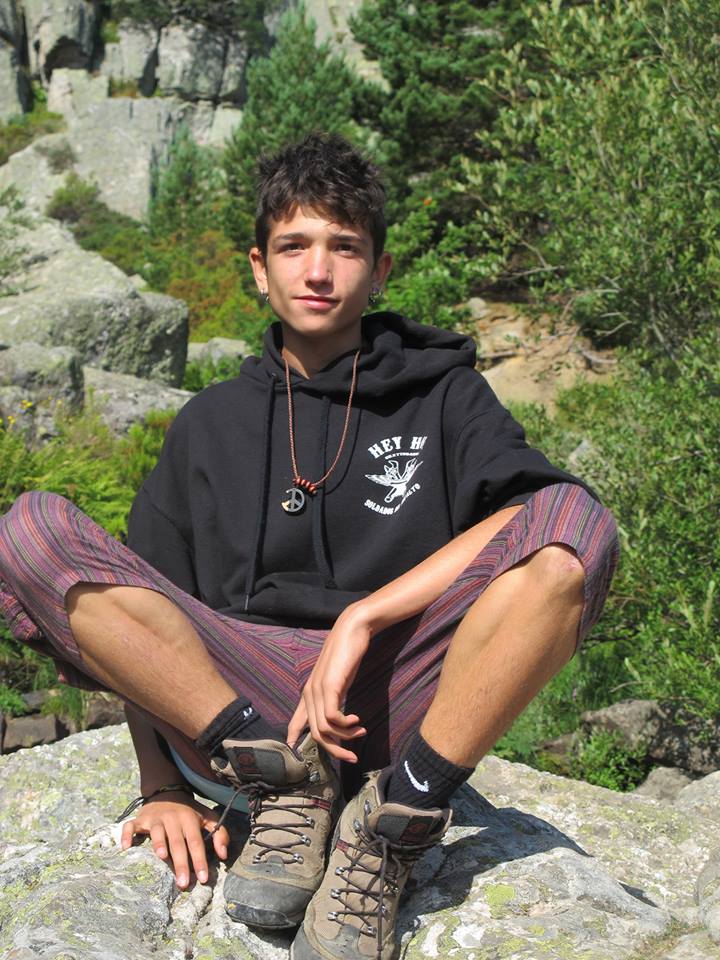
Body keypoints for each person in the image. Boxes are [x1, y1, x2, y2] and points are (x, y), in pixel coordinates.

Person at [0, 132, 618, 960]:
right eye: (294, 246)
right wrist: (160, 787)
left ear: (380, 268)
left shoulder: (446, 395)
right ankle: (282, 785)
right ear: (260, 268)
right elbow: (143, 627)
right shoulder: (207, 422)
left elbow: (542, 512)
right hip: (240, 709)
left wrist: (366, 617)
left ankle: (394, 824)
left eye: (344, 247)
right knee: (29, 529)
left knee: (576, 527)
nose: (318, 270)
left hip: (392, 697)